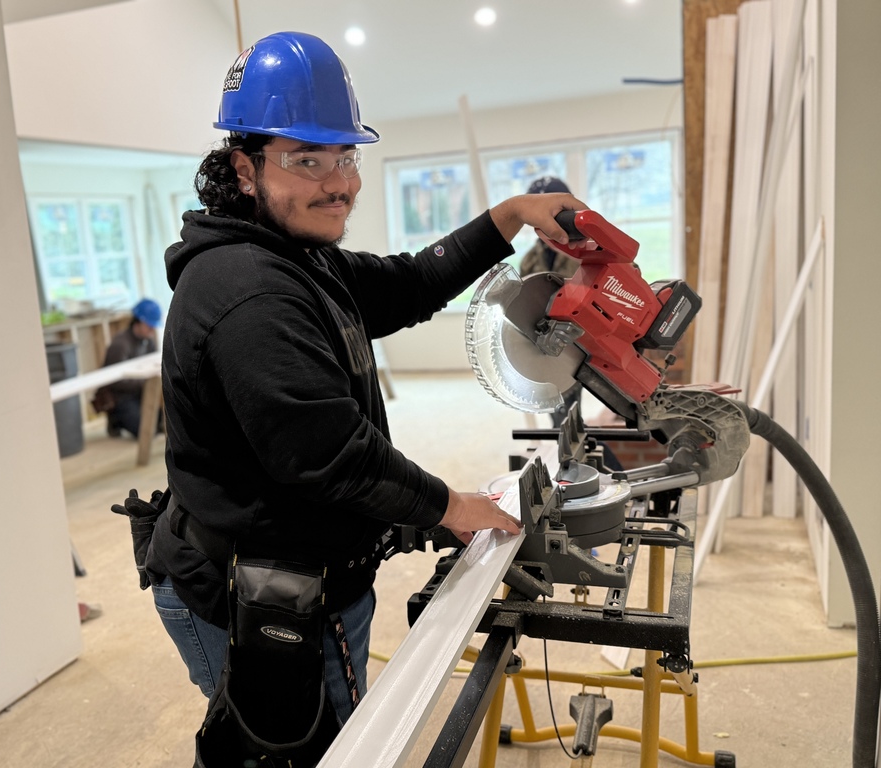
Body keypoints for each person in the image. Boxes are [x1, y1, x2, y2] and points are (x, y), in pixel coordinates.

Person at [139, 31, 587, 765]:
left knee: (304, 742)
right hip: (254, 594)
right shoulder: (248, 292)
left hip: (297, 576)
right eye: (306, 160)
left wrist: (510, 215)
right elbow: (332, 456)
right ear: (244, 169)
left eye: (345, 156)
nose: (338, 181)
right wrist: (451, 505)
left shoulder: (299, 257)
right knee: (289, 749)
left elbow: (408, 284)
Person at [92, 298, 161, 438]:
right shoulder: (121, 344)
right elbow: (114, 381)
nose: (152, 330)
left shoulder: (148, 341)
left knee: (161, 422)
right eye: (149, 326)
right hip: (120, 397)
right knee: (144, 431)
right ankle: (115, 420)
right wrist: (145, 381)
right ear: (138, 321)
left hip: (140, 392)